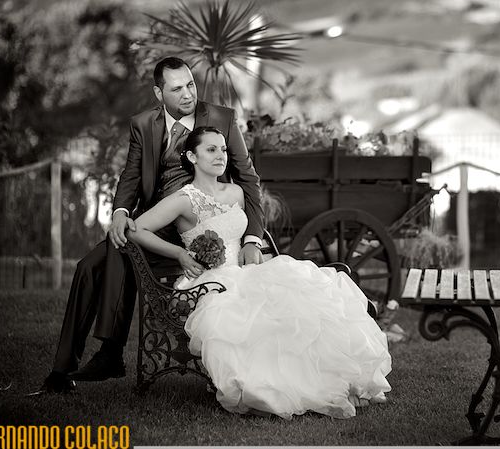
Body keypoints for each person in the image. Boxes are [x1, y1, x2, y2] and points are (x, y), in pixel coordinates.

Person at [127, 126, 392, 419]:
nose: (220, 156)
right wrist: (179, 253)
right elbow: (136, 229)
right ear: (192, 156)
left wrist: (251, 244)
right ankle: (267, 387)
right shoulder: (184, 199)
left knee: (304, 297)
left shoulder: (236, 192)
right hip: (210, 281)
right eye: (211, 150)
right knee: (248, 315)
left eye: (223, 149)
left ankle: (331, 379)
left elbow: (245, 234)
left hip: (245, 272)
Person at [41, 57, 266, 394]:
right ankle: (62, 371)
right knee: (89, 266)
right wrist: (120, 211)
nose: (188, 94)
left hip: (195, 224)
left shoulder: (221, 118)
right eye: (176, 89)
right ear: (159, 93)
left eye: (190, 84)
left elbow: (248, 179)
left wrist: (252, 239)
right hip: (153, 220)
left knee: (123, 247)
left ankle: (111, 352)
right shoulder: (143, 124)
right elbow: (131, 175)